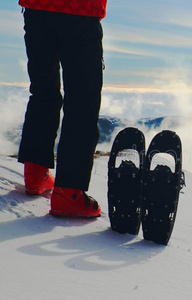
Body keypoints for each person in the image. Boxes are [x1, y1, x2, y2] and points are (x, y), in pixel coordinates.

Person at [18, 0, 107, 218]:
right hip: (80, 9)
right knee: (82, 100)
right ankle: (69, 192)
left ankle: (36, 172)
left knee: (43, 90)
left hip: (36, 8)